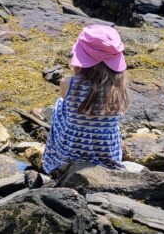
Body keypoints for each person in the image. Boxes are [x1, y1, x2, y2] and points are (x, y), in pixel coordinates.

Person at [43, 24, 129, 175]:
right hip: (107, 155)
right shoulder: (119, 85)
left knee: (59, 105)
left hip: (69, 153)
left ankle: (53, 160)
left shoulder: (67, 83)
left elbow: (69, 109)